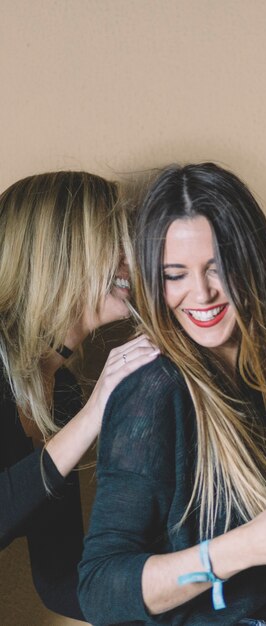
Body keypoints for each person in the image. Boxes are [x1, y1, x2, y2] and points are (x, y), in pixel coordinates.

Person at [79, 163, 266, 626]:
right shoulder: (155, 390)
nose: (200, 294)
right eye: (175, 274)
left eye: (218, 268)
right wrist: (243, 547)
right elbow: (100, 589)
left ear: (253, 264)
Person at [0, 171, 159, 620]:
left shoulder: (61, 392)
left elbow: (62, 581)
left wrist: (195, 597)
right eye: (116, 241)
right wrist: (93, 414)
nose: (135, 258)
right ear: (58, 255)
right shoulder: (77, 405)